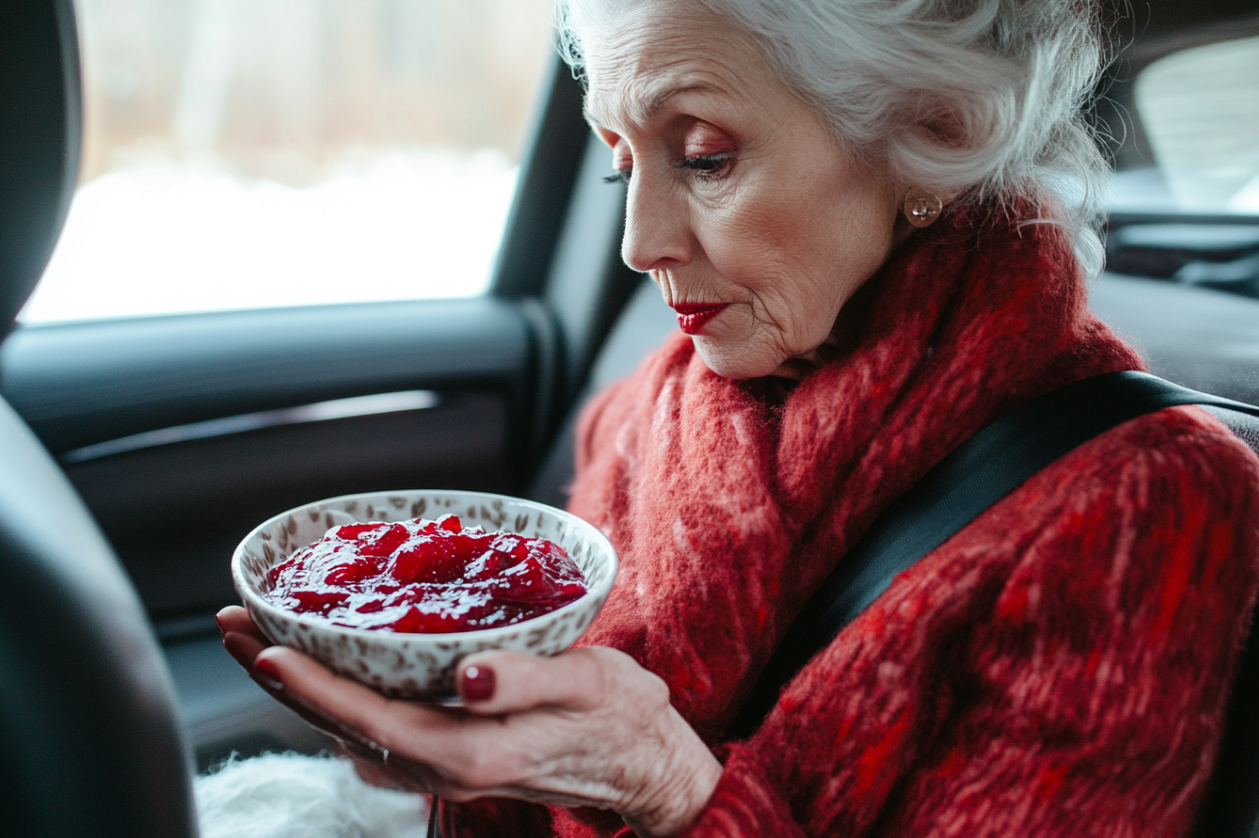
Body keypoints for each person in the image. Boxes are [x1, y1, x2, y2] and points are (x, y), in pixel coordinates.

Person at [218, 0, 1259, 835]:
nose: (636, 242)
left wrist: (673, 793)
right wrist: (462, 755)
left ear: (927, 132)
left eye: (706, 156)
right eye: (619, 160)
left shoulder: (1143, 505)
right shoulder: (642, 406)